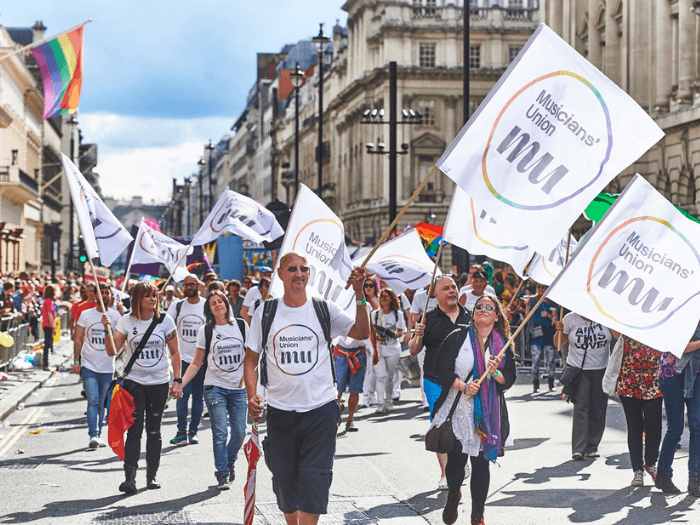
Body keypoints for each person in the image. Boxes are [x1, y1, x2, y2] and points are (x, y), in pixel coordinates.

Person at [244, 252, 369, 524]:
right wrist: (252, 395)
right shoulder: (265, 312)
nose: (299, 273)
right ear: (280, 274)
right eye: (292, 269)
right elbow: (251, 358)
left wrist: (360, 294)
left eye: (304, 269)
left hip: (321, 409)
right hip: (280, 411)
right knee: (284, 479)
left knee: (315, 477)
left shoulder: (324, 308)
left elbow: (361, 332)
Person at [430, 294, 515, 525]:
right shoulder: (457, 337)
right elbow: (441, 371)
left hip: (487, 413)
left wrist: (495, 372)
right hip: (458, 408)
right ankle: (453, 495)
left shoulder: (503, 344)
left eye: (489, 307)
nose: (483, 309)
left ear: (496, 316)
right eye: (479, 306)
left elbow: (510, 378)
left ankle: (478, 513)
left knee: (480, 463)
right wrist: (463, 385)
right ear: (473, 312)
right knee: (456, 460)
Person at [104, 281, 181, 494]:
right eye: (147, 296)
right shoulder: (126, 321)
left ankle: (152, 475)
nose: (153, 299)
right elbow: (112, 351)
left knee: (154, 430)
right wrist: (106, 328)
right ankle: (130, 478)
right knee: (135, 431)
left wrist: (178, 379)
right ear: (138, 299)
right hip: (134, 383)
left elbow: (175, 352)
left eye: (154, 295)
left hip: (159, 383)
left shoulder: (165, 321)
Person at [171, 290, 248, 489]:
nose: (217, 305)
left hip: (239, 389)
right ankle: (222, 473)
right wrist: (180, 382)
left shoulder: (241, 325)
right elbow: (196, 363)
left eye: (220, 301)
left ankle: (229, 461)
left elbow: (252, 358)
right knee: (220, 432)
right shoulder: (206, 331)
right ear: (209, 309)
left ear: (227, 303)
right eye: (213, 303)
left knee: (240, 432)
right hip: (215, 388)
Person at [410, 276, 471, 491]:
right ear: (435, 294)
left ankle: (460, 463)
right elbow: (413, 350)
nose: (452, 291)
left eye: (453, 287)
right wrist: (417, 335)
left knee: (464, 424)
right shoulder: (428, 319)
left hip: (464, 381)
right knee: (442, 426)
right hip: (435, 381)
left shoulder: (468, 316)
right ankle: (446, 474)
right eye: (446, 288)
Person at [555, 313, 618, 460]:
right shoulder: (570, 319)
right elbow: (558, 344)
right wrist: (559, 330)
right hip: (579, 370)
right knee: (581, 407)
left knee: (599, 407)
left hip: (601, 370)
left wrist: (611, 320)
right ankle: (578, 448)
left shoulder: (604, 315)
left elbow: (617, 335)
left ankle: (592, 446)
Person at [73, 284, 121, 448]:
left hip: (107, 367)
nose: (105, 296)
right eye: (103, 293)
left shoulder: (115, 316)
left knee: (101, 403)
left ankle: (98, 434)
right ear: (95, 295)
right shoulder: (86, 315)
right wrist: (76, 361)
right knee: (93, 400)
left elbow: (120, 342)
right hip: (89, 366)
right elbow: (78, 338)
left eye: (108, 293)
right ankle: (93, 434)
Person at [654, 322, 700, 496]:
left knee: (697, 425)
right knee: (676, 427)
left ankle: (695, 481)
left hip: (696, 373)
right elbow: (677, 346)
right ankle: (663, 475)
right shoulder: (677, 310)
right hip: (672, 372)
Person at [614, 336, 663, 487]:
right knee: (634, 427)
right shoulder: (628, 321)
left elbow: (664, 348)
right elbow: (615, 333)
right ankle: (637, 470)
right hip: (629, 380)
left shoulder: (658, 323)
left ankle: (650, 463)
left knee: (654, 424)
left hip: (654, 380)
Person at [167, 274, 206, 446]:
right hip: (182, 360)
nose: (189, 287)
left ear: (198, 285)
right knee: (181, 396)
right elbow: (166, 326)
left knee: (198, 398)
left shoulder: (206, 305)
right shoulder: (177, 306)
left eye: (192, 284)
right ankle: (181, 431)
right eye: (186, 285)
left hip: (202, 361)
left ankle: (193, 431)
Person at [371, 288, 406, 414]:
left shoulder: (398, 314)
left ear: (392, 298)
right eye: (381, 296)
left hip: (393, 349)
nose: (383, 299)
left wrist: (390, 335)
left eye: (386, 296)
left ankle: (388, 400)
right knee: (381, 376)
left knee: (390, 376)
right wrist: (376, 337)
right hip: (378, 349)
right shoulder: (374, 314)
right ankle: (380, 403)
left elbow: (401, 332)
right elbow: (370, 331)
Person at [525, 284, 557, 393]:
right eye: (539, 287)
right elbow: (527, 316)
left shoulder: (552, 301)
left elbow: (555, 318)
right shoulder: (533, 300)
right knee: (536, 359)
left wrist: (547, 315)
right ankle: (535, 384)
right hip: (536, 334)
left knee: (550, 360)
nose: (541, 289)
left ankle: (551, 383)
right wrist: (527, 305)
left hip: (549, 333)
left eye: (544, 287)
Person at [360, 277, 381, 407]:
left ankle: (372, 395)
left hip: (383, 340)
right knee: (368, 369)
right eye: (365, 285)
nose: (368, 287)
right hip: (368, 339)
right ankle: (366, 396)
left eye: (371, 285)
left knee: (377, 371)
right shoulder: (362, 302)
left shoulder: (381, 300)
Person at [41, 285, 57, 371]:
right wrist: (54, 327)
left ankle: (46, 363)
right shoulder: (49, 302)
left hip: (45, 324)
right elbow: (50, 315)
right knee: (47, 344)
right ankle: (45, 364)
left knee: (47, 344)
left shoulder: (45, 301)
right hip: (48, 324)